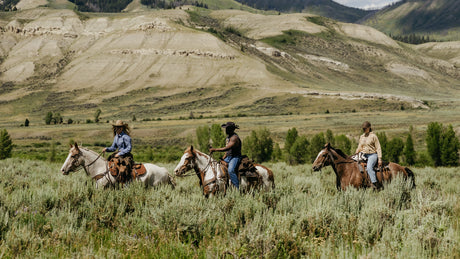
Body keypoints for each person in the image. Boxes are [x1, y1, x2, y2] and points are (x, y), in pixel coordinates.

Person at [209, 122, 242, 189]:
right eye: (226, 128)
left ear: (232, 129)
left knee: (231, 170)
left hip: (235, 157)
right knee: (218, 166)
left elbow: (227, 148)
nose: (226, 130)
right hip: (229, 157)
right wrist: (223, 158)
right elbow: (228, 151)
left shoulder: (234, 138)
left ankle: (237, 188)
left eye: (227, 128)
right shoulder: (228, 137)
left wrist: (215, 149)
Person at [355, 121, 382, 190]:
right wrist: (357, 150)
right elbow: (360, 146)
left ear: (369, 128)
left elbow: (378, 147)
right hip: (363, 154)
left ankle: (374, 183)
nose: (364, 130)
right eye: (363, 128)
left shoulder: (373, 136)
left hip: (372, 155)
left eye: (365, 128)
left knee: (369, 167)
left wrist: (379, 158)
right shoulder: (362, 136)